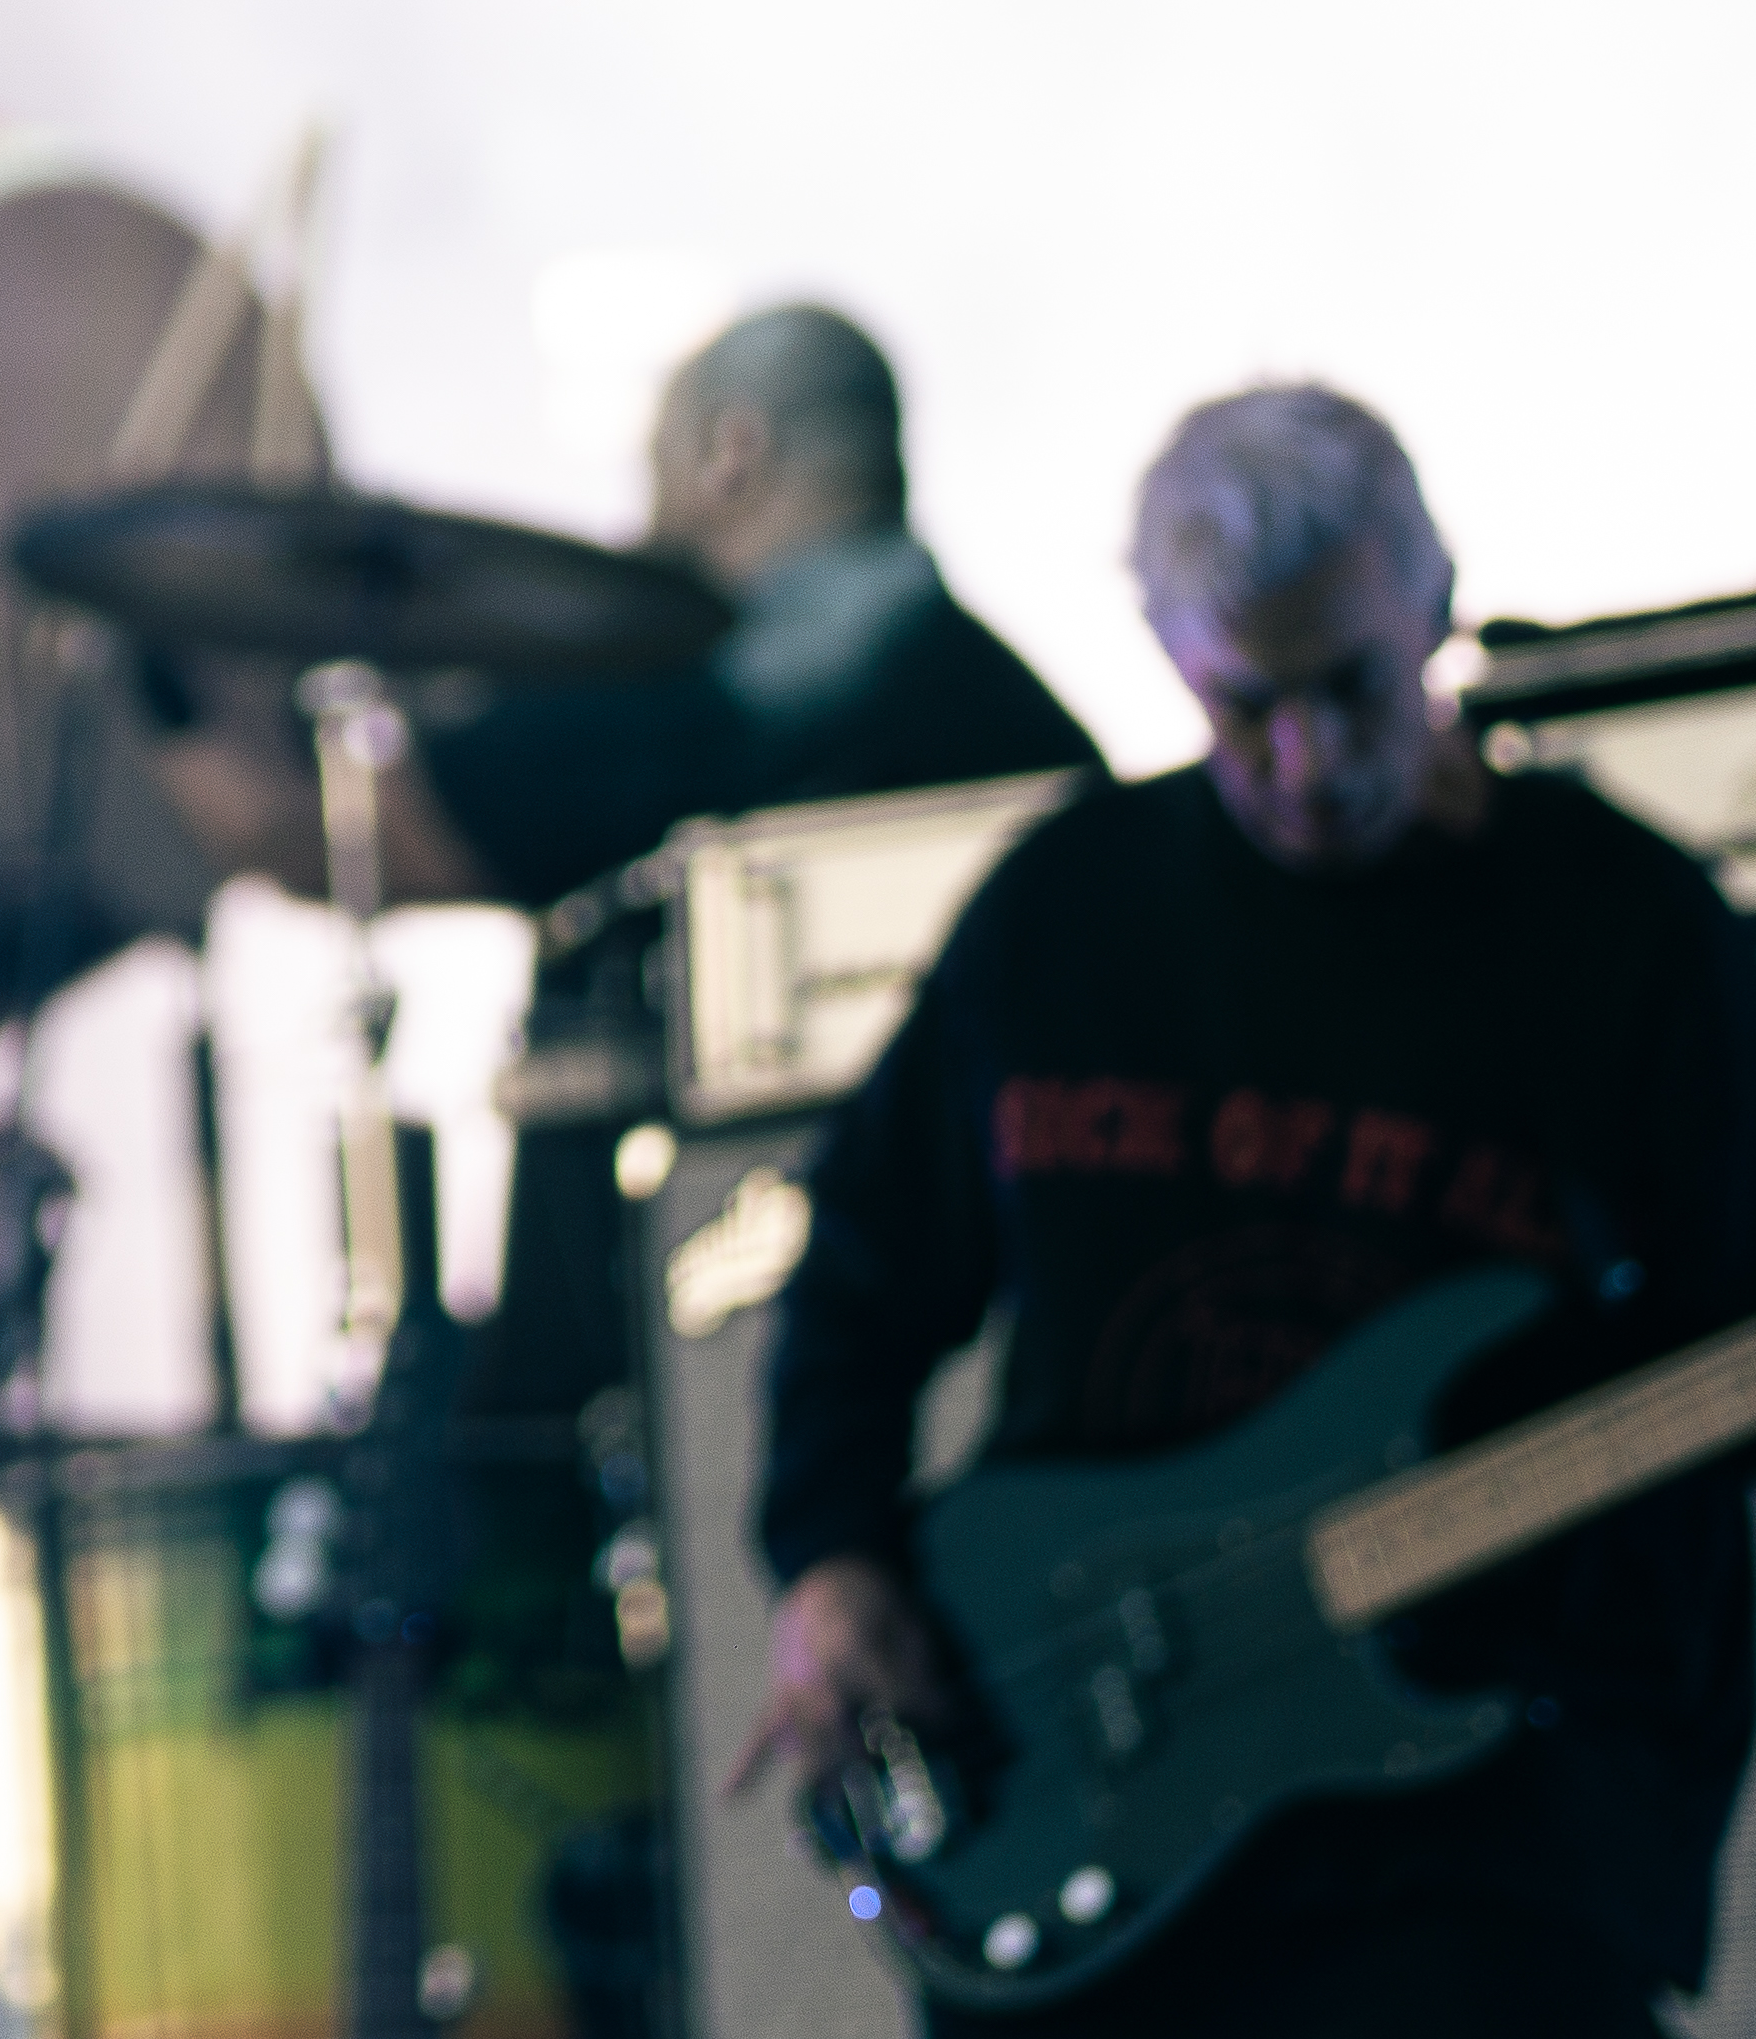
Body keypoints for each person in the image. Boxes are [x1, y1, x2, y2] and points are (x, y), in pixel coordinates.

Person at [733, 384, 1756, 2039]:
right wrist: (830, 1556)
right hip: (1083, 1788)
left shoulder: (1619, 935)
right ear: (1171, 663)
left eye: (1352, 685)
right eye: (1246, 706)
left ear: (1434, 610)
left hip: (1477, 1853)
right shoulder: (1070, 909)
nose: (1311, 758)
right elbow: (861, 1269)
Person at [152, 302, 1105, 1406]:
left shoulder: (724, 703)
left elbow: (302, 835)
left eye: (655, 463)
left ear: (730, 449)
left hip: (735, 1354)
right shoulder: (1035, 727)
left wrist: (156, 665)